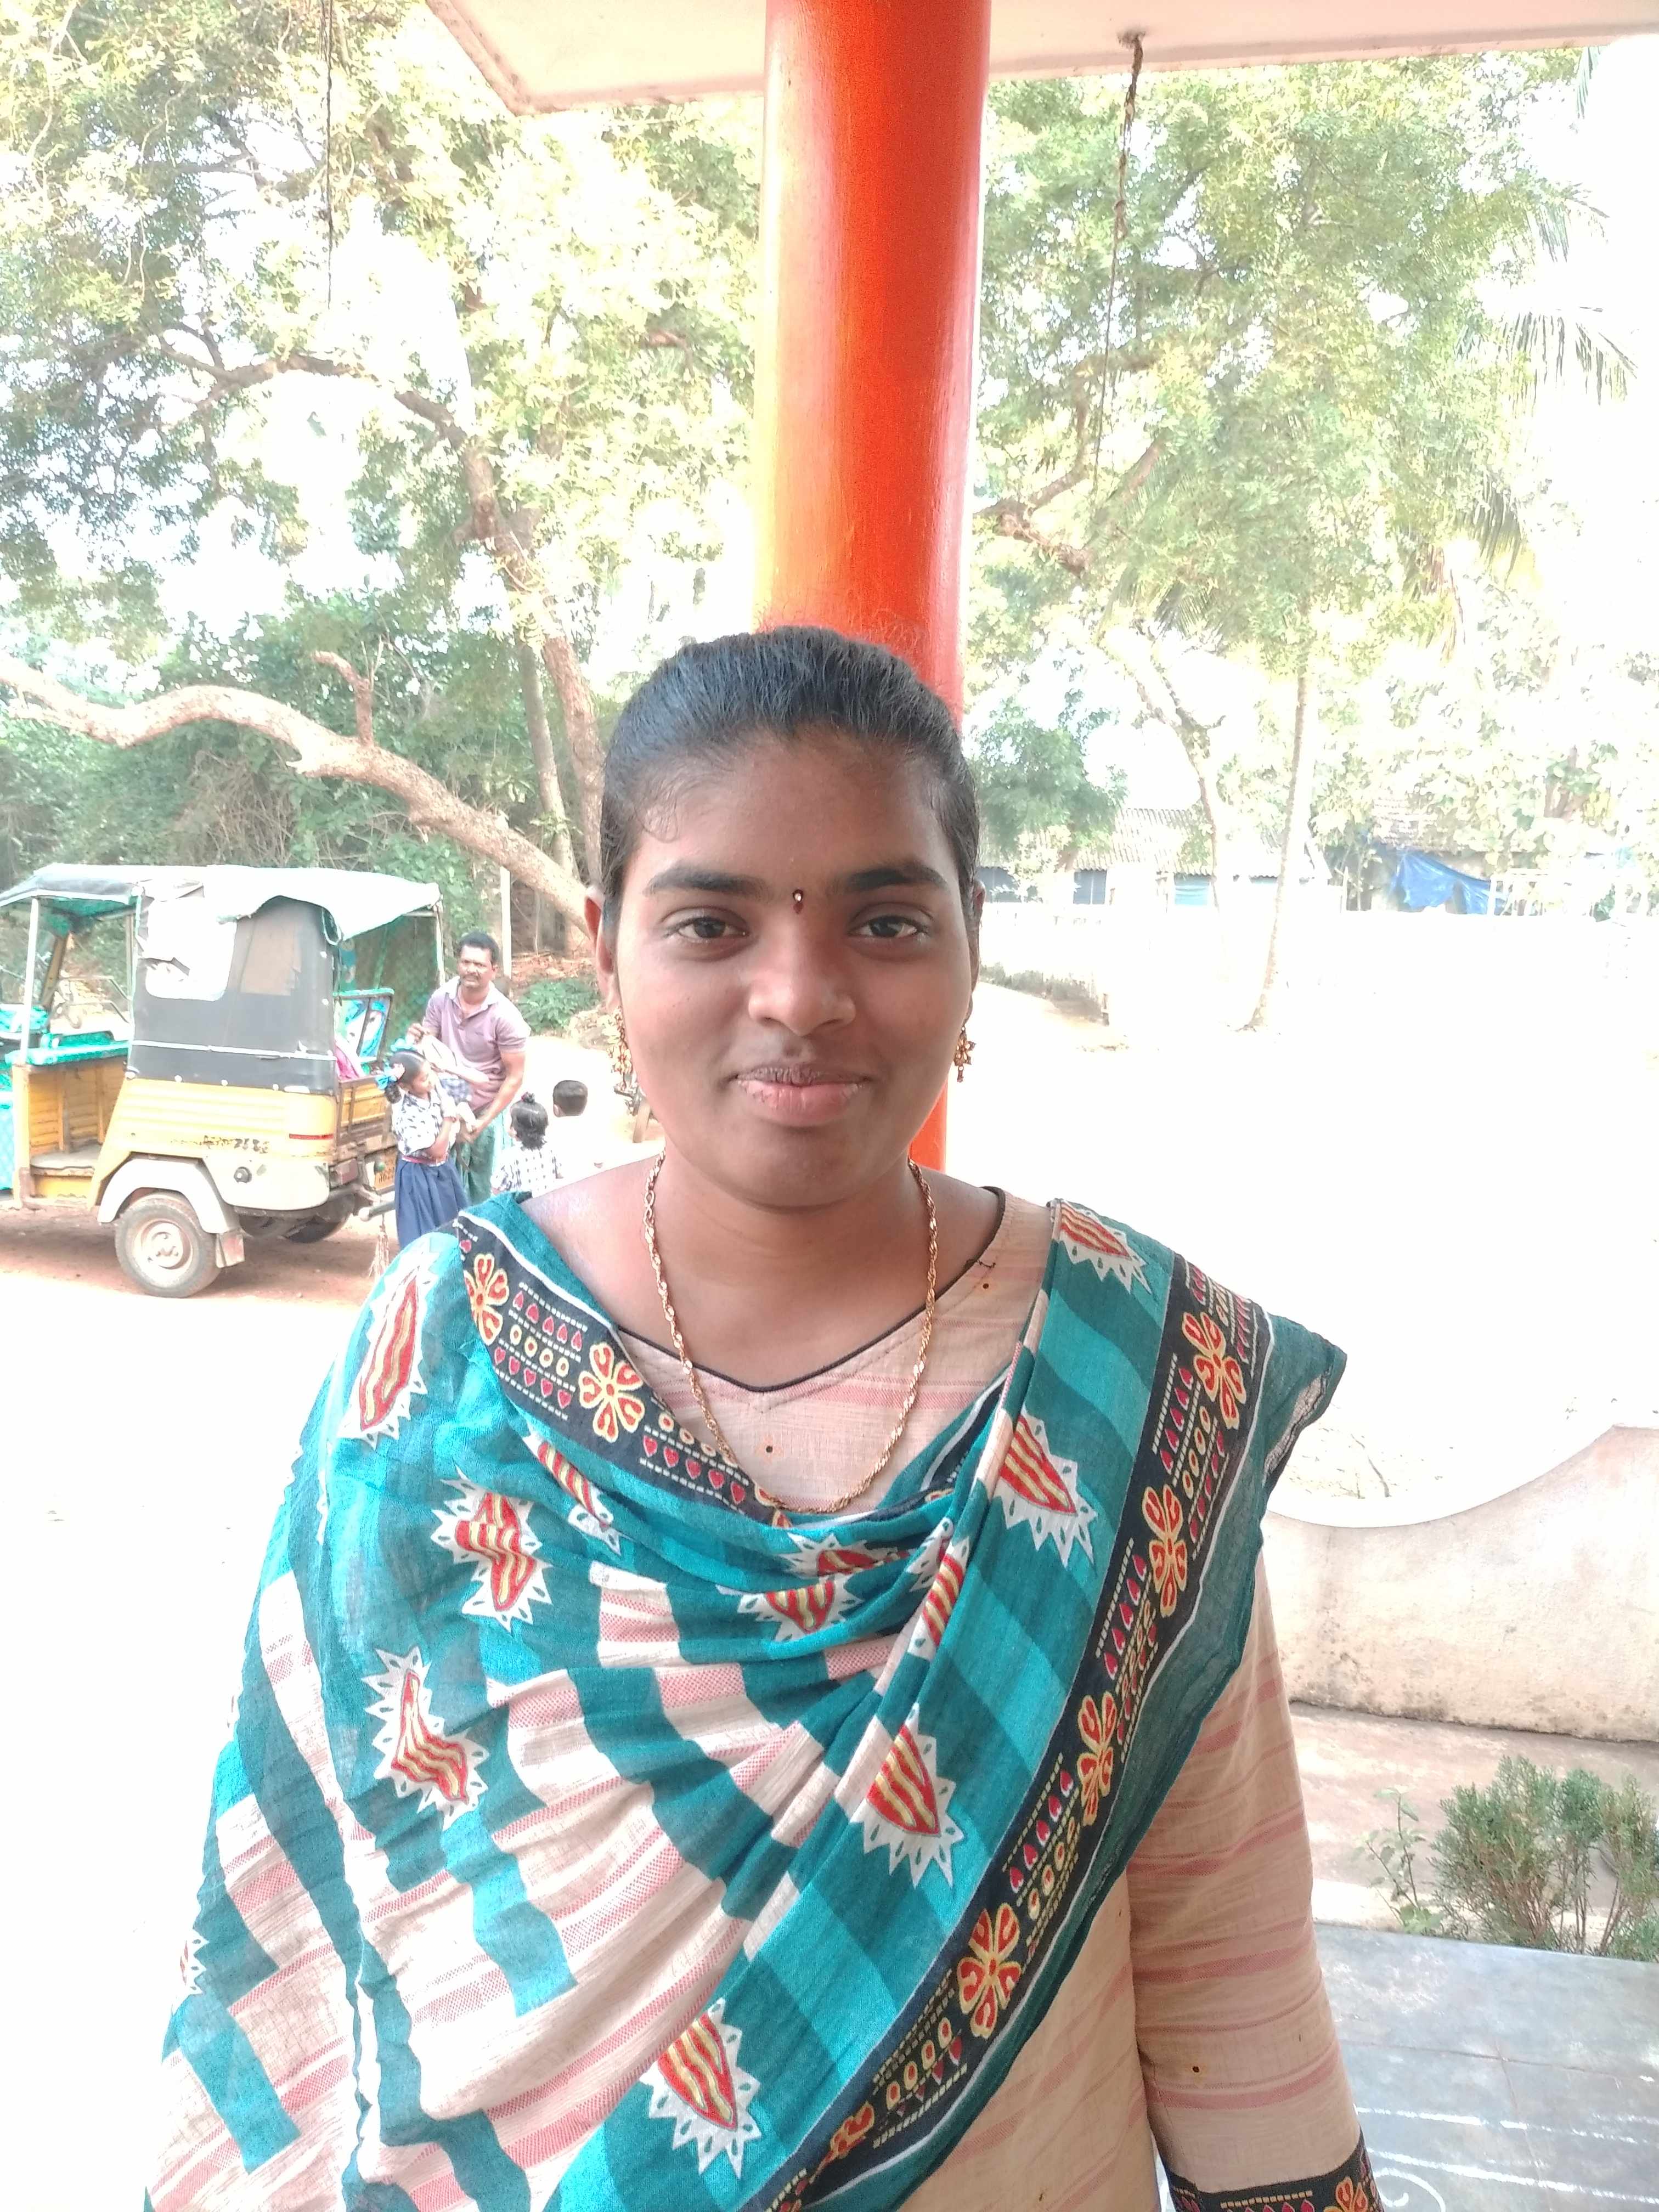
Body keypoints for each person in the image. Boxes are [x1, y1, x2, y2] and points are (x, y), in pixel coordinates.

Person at [151, 629, 1375, 2212]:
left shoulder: (1129, 1376)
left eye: (885, 920)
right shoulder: (439, 1344)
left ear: (972, 938)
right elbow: (296, 1917)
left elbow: (1226, 1963)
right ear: (608, 947)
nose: (799, 996)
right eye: (712, 923)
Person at [410, 929, 529, 1203]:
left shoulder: (506, 1016)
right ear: (458, 963)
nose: (471, 970)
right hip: (447, 1106)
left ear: (493, 970)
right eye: (466, 962)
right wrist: (418, 1037)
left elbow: (515, 1076)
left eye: (479, 965)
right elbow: (429, 1043)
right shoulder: (441, 999)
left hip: (486, 1110)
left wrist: (483, 1123)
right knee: (444, 1190)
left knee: (488, 1191)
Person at [386, 1046, 470, 1245]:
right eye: (424, 1079)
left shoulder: (435, 1092)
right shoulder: (407, 1113)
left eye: (430, 1073)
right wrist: (449, 1118)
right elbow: (436, 1151)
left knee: (455, 1230)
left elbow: (466, 1088)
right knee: (424, 1238)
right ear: (406, 1087)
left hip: (443, 1170)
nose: (431, 1080)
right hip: (418, 1178)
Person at [490, 1090, 563, 1197]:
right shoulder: (551, 1148)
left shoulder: (509, 1157)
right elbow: (560, 1176)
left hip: (521, 1207)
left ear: (514, 1129)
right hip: (548, 1203)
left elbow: (497, 1189)